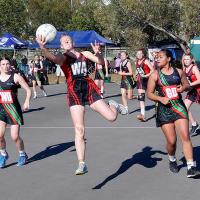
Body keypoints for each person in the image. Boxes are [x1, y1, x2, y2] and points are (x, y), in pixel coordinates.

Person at [36, 34, 126, 175]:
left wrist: (99, 53)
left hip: (89, 88)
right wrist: (43, 47)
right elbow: (53, 58)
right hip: (74, 92)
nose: (66, 42)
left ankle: (113, 105)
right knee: (79, 129)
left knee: (111, 118)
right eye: (64, 42)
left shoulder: (84, 54)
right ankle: (82, 163)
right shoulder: (63, 56)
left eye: (68, 40)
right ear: (61, 45)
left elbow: (101, 62)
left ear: (73, 42)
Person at [147, 49, 200, 178]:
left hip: (178, 107)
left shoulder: (179, 72)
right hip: (164, 110)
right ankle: (172, 159)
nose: (157, 59)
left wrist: (183, 88)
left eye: (160, 57)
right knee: (172, 141)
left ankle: (190, 167)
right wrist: (160, 99)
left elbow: (187, 84)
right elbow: (149, 94)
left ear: (169, 59)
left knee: (185, 136)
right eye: (156, 57)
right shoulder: (155, 75)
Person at [0, 58, 31, 168]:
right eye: (3, 64)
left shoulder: (16, 77)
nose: (5, 66)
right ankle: (3, 154)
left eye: (7, 63)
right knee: (0, 135)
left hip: (13, 111)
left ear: (10, 65)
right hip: (1, 111)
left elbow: (28, 90)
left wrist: (27, 101)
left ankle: (22, 154)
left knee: (14, 136)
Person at [182, 54, 200, 136]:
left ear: (191, 60)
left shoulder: (194, 68)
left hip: (198, 90)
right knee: (184, 108)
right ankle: (194, 124)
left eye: (187, 59)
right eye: (184, 59)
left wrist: (190, 84)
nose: (186, 61)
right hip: (192, 91)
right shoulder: (184, 68)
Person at [135, 49, 154, 121]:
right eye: (138, 54)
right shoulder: (136, 61)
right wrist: (136, 74)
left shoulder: (146, 61)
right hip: (140, 80)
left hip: (148, 80)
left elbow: (152, 70)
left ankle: (160, 109)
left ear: (143, 54)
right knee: (141, 97)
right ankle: (143, 115)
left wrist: (147, 75)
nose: (139, 55)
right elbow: (137, 69)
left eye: (140, 53)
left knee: (152, 96)